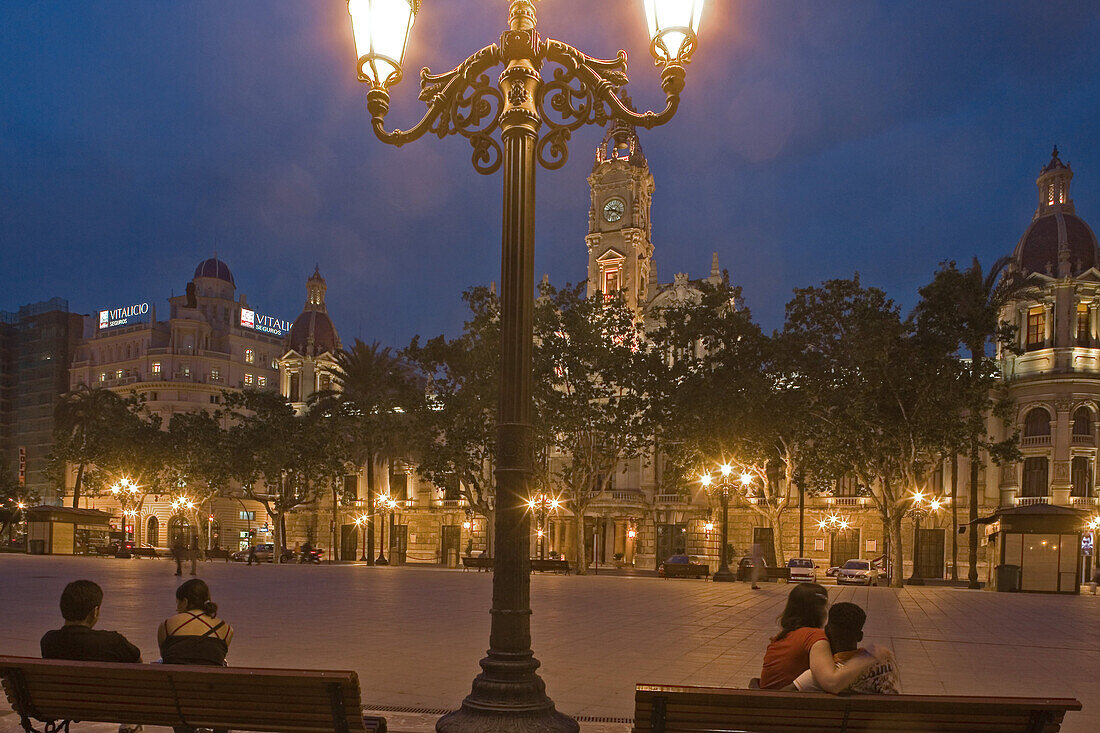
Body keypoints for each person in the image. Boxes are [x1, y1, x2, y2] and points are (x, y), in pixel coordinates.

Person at [41, 580, 143, 733]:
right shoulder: (112, 641)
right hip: (110, 705)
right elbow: (138, 666)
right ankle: (130, 726)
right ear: (95, 611)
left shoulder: (49, 640)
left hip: (62, 703)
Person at [759, 583, 887, 691]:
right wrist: (868, 656)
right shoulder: (815, 638)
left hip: (770, 708)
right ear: (819, 611)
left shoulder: (782, 637)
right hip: (786, 710)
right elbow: (831, 683)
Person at [158, 579, 233, 733]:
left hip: (178, 698)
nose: (176, 608)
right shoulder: (226, 629)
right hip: (211, 695)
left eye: (178, 603)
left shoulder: (167, 626)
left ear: (185, 602)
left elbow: (166, 656)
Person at [790, 602, 902, 694]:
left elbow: (783, 694)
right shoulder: (883, 668)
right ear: (860, 636)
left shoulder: (820, 675)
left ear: (827, 631)